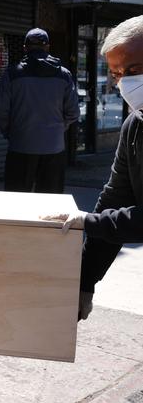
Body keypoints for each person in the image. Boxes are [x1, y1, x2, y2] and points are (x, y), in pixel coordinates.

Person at [47, 16, 143, 321]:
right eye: (116, 74)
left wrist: (88, 221)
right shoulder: (135, 125)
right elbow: (117, 197)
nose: (124, 82)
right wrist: (84, 282)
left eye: (133, 70)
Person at [0, 28, 80, 193]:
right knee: (50, 205)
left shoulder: (13, 73)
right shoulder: (64, 75)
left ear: (25, 47)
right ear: (47, 47)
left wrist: (11, 132)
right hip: (54, 148)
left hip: (20, 145)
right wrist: (58, 128)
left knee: (16, 203)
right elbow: (73, 112)